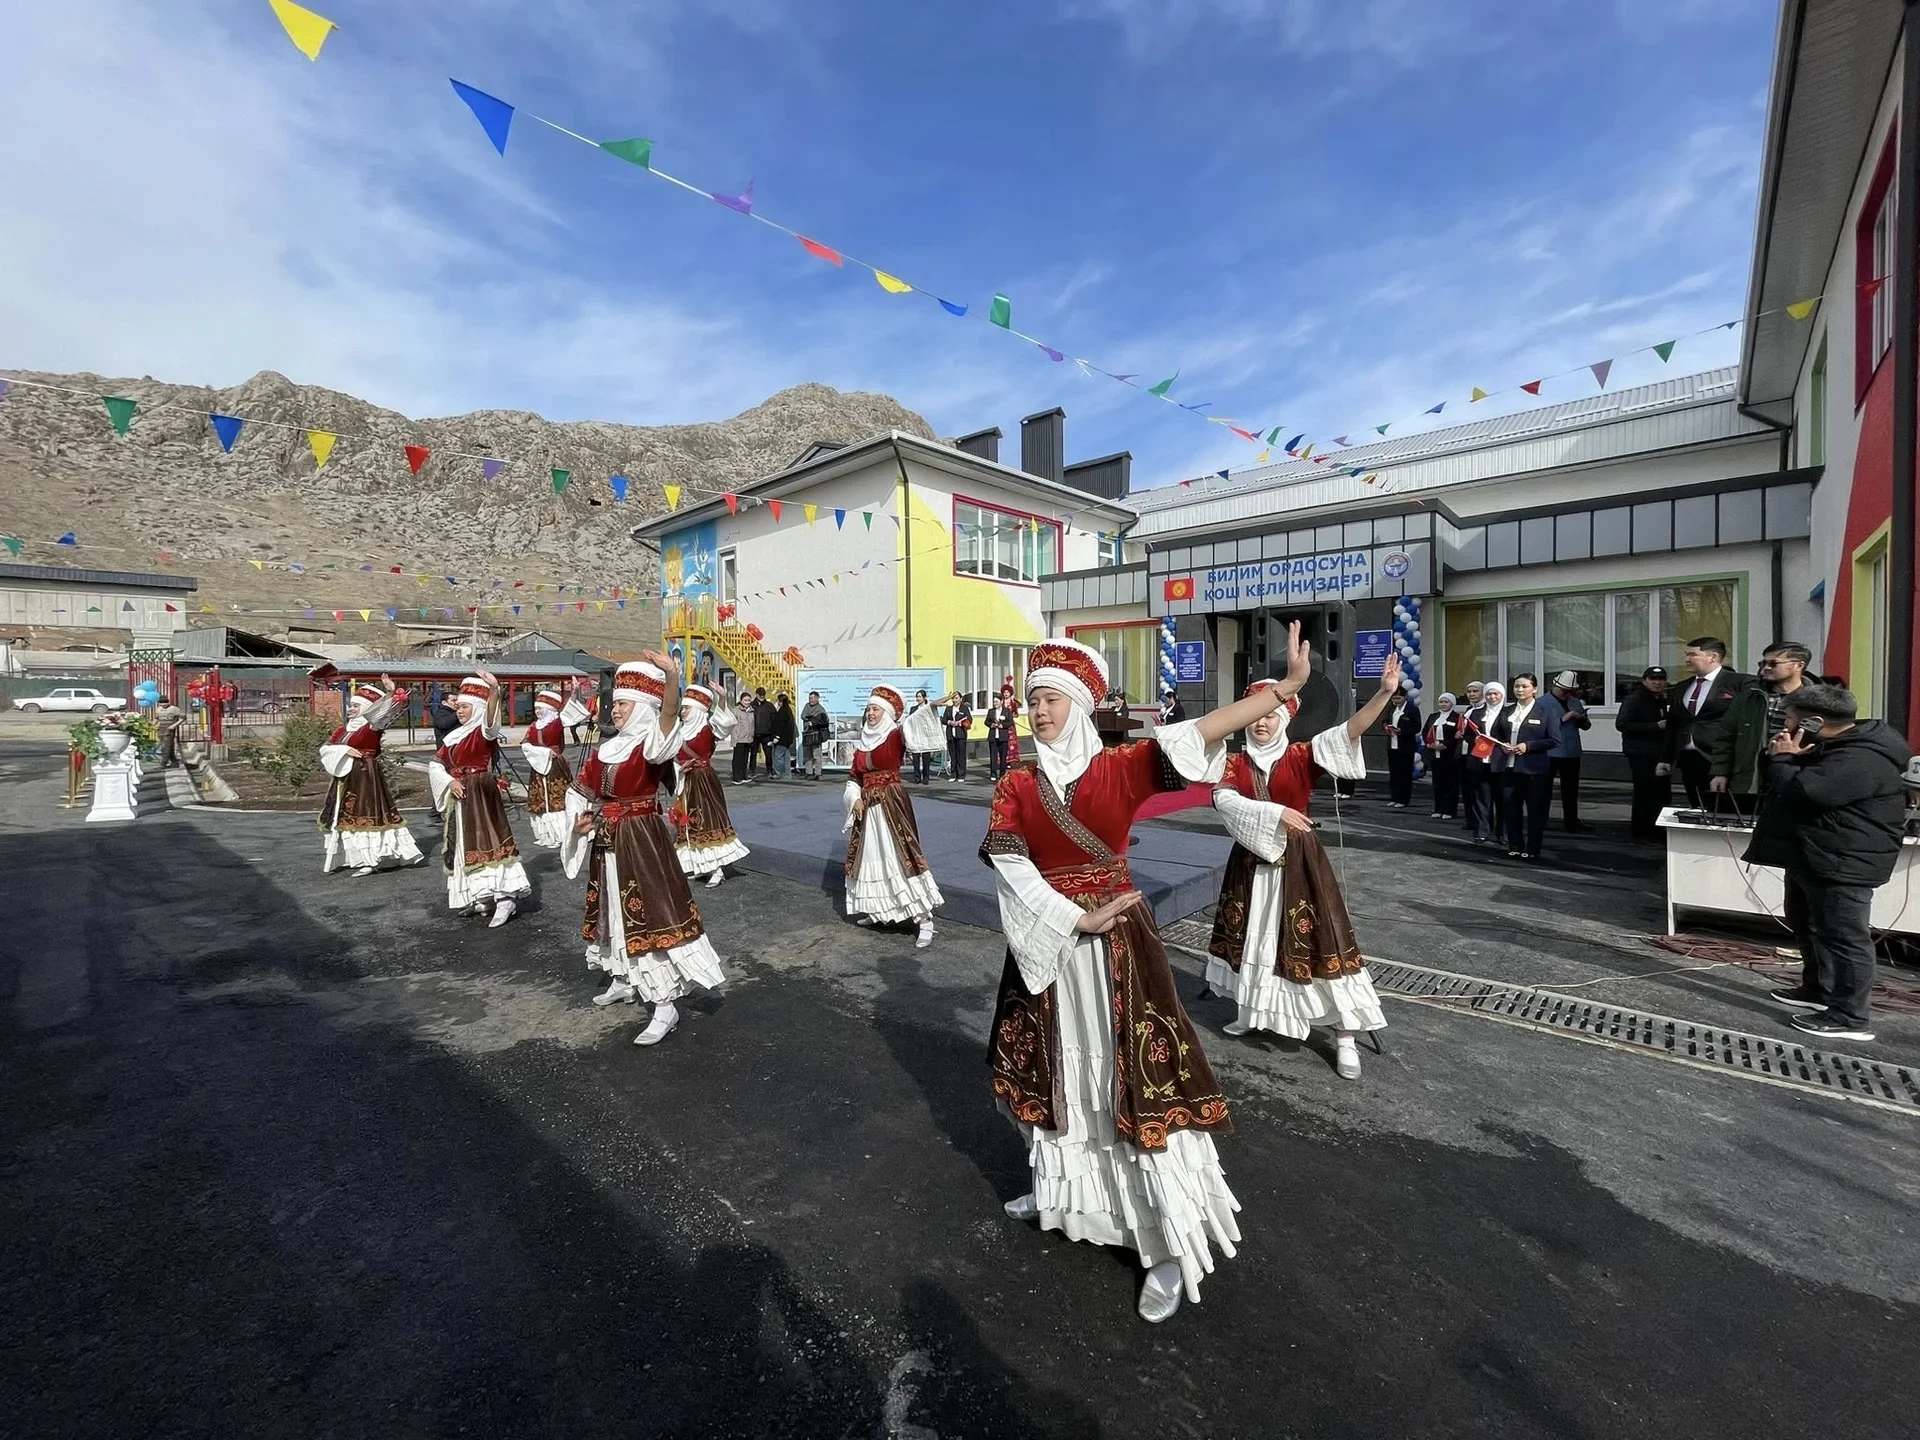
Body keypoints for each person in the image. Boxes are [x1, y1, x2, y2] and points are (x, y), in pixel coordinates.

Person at [984, 637, 1294, 1324]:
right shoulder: (1016, 784)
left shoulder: (1121, 769)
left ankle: (1165, 1246)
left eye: (1051, 699)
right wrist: (1072, 917)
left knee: (1130, 1076)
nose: (1039, 711)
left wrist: (1278, 691)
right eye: (1033, 700)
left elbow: (1201, 732)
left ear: (1081, 705)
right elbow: (1010, 864)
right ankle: (1061, 1194)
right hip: (1054, 941)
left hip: (1118, 946)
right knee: (1055, 1071)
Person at [1206, 632, 1397, 1078]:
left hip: (1300, 861)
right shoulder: (1234, 763)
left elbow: (1350, 732)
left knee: (1320, 940)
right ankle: (1253, 1010)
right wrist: (1275, 813)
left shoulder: (1301, 755)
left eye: (1271, 716)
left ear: (1286, 718)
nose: (1261, 724)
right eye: (1255, 716)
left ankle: (1345, 1036)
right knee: (1253, 936)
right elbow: (1223, 800)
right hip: (1251, 862)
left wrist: (1382, 695)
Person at [560, 656, 726, 1045]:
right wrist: (578, 823)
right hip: (607, 839)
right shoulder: (607, 749)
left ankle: (665, 1006)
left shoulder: (651, 744)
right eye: (614, 703)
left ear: (642, 706)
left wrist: (672, 676)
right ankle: (622, 978)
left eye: (622, 703)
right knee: (612, 911)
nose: (614, 710)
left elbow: (667, 721)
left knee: (650, 914)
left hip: (641, 839)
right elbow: (580, 791)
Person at [1743, 684, 1911, 1043]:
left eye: (1790, 717)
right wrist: (1788, 755)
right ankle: (1819, 990)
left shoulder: (1861, 757)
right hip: (1814, 853)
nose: (1784, 724)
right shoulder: (1833, 745)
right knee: (1807, 923)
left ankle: (1850, 1017)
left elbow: (1808, 793)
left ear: (1815, 721)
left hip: (1844, 859)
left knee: (1845, 937)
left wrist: (1783, 760)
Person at [427, 671, 531, 926]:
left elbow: (491, 721)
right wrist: (449, 781)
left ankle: (505, 898)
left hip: (480, 791)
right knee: (464, 843)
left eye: (465, 707)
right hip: (460, 794)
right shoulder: (454, 737)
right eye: (458, 706)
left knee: (490, 839)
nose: (460, 711)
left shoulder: (482, 733)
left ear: (477, 708)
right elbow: (436, 764)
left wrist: (494, 690)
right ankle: (480, 897)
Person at [844, 685, 944, 947]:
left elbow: (913, 723)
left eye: (876, 709)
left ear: (886, 714)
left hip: (891, 802)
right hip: (868, 808)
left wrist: (930, 707)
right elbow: (854, 777)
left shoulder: (895, 735)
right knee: (871, 856)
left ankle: (924, 919)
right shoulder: (862, 745)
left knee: (900, 855)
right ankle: (879, 910)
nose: (870, 714)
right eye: (868, 709)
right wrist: (854, 798)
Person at [317, 675, 424, 876]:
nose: (351, 709)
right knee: (345, 817)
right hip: (345, 778)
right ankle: (354, 858)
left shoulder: (371, 727)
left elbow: (381, 715)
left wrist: (390, 694)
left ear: (366, 708)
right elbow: (325, 748)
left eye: (356, 706)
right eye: (351, 705)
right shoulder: (342, 730)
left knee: (365, 814)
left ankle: (372, 859)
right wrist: (343, 750)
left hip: (365, 776)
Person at [672, 683, 749, 888]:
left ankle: (717, 870)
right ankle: (701, 866)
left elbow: (724, 722)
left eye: (687, 708)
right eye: (683, 707)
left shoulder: (707, 729)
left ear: (697, 710)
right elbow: (672, 756)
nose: (683, 711)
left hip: (704, 782)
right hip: (686, 782)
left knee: (708, 822)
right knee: (688, 824)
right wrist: (678, 769)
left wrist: (722, 699)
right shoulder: (679, 731)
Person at [1716, 641, 1811, 804]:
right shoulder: (1749, 695)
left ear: (1798, 665)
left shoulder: (1814, 700)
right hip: (1751, 776)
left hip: (1795, 775)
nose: (1765, 668)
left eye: (1773, 663)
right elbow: (1725, 736)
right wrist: (1720, 773)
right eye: (1762, 663)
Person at [1666, 637, 1754, 809]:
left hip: (1720, 756)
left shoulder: (1738, 683)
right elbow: (1673, 724)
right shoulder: (1682, 687)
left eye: (1693, 655)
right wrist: (1666, 758)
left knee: (1722, 808)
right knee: (1697, 807)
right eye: (1686, 655)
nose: (1687, 659)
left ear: (1713, 657)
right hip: (1689, 758)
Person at [1489, 673, 1561, 861]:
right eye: (1517, 686)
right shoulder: (1507, 711)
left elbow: (1554, 740)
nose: (1520, 690)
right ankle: (1515, 845)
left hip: (1533, 770)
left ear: (1534, 689)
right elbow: (1495, 734)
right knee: (1510, 808)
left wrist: (1528, 746)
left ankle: (1533, 848)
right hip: (1509, 768)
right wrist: (1502, 745)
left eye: (1524, 686)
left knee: (1535, 810)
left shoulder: (1545, 711)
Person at [1615, 666, 1674, 840]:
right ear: (1644, 681)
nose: (1657, 683)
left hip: (1660, 754)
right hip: (1640, 753)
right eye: (1653, 679)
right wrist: (1654, 726)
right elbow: (1622, 724)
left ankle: (1657, 830)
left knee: (1661, 793)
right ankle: (1641, 832)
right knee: (1645, 793)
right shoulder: (1634, 700)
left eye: (1661, 679)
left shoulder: (1662, 700)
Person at [520, 684, 581, 849]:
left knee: (557, 797)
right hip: (538, 765)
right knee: (540, 798)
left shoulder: (556, 723)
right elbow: (525, 743)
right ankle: (546, 835)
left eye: (541, 708)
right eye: (536, 708)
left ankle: (561, 833)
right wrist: (541, 752)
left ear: (549, 709)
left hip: (555, 766)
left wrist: (574, 693)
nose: (538, 712)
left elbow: (569, 713)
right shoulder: (533, 726)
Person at [1459, 680, 1506, 846]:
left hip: (1500, 761)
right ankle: (1482, 831)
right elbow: (1467, 734)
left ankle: (1503, 833)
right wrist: (1474, 739)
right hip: (1479, 760)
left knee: (1502, 799)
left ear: (1502, 695)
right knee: (1481, 798)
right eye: (1489, 694)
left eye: (1495, 694)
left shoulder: (1508, 713)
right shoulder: (1476, 713)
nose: (1492, 697)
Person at [1547, 670, 1592, 830]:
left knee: (1571, 789)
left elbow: (1586, 726)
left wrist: (1582, 719)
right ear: (1554, 686)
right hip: (1550, 751)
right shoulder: (1542, 703)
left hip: (1571, 750)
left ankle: (1571, 820)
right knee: (1544, 788)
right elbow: (1539, 727)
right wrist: (1563, 719)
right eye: (1564, 690)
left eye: (1570, 691)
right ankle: (1541, 819)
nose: (1567, 694)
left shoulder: (1575, 702)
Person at [1422, 692, 1462, 819]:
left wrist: (1446, 745)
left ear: (1452, 703)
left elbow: (1458, 735)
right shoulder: (1433, 716)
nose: (1443, 704)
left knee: (1450, 783)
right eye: (1441, 702)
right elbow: (1425, 731)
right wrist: (1429, 744)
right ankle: (1438, 808)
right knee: (1437, 782)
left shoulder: (1457, 718)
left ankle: (1449, 810)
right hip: (1435, 753)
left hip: (1450, 754)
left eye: (1446, 702)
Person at [1382, 680, 1420, 808]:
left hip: (1405, 746)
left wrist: (1402, 731)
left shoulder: (1412, 710)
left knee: (1404, 773)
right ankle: (1394, 797)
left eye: (1398, 698)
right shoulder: (1392, 708)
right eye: (1394, 699)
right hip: (1392, 744)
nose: (1396, 701)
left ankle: (1403, 799)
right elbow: (1385, 721)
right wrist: (1386, 727)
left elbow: (1416, 727)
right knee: (1394, 773)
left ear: (1405, 697)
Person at [1455, 681, 1485, 832]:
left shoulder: (1485, 710)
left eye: (1475, 691)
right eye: (1469, 691)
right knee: (1466, 789)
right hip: (1463, 753)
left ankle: (1481, 821)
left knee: (1478, 791)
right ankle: (1470, 819)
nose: (1472, 694)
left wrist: (1467, 735)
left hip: (1477, 753)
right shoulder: (1468, 709)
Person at [942, 689, 974, 782]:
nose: (954, 700)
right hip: (951, 734)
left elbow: (970, 719)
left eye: (956, 698)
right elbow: (943, 720)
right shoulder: (948, 709)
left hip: (961, 734)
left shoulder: (964, 709)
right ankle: (953, 774)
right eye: (953, 698)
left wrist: (960, 723)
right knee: (953, 755)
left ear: (960, 699)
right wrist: (950, 722)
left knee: (961, 755)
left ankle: (961, 775)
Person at [984, 690, 1017, 780]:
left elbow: (1010, 722)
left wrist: (1002, 725)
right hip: (993, 736)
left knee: (1003, 757)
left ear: (1001, 701)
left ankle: (1002, 774)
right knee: (993, 756)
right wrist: (991, 725)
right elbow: (986, 722)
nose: (995, 703)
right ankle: (993, 774)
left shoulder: (1007, 711)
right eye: (994, 702)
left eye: (997, 701)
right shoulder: (991, 711)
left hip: (1003, 737)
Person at [908, 690, 938, 784]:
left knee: (926, 757)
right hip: (916, 735)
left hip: (925, 735)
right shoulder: (913, 709)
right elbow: (910, 720)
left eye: (920, 697)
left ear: (924, 698)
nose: (918, 698)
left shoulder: (928, 708)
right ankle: (917, 777)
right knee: (916, 757)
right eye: (917, 697)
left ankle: (926, 777)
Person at [801, 690, 831, 779]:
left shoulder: (820, 709)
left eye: (812, 698)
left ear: (817, 698)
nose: (810, 700)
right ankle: (808, 772)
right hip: (807, 733)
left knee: (817, 755)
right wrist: (809, 719)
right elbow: (803, 716)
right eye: (809, 698)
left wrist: (814, 721)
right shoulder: (807, 706)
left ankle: (818, 773)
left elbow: (824, 720)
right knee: (807, 754)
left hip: (816, 734)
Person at [731, 689, 756, 784]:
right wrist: (735, 736)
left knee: (745, 759)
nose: (747, 702)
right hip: (739, 738)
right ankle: (736, 777)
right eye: (745, 700)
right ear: (741, 700)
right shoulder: (736, 711)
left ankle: (743, 776)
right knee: (738, 759)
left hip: (748, 738)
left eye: (749, 700)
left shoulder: (751, 711)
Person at [154, 695, 187, 768]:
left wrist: (174, 725)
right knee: (169, 746)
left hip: (169, 730)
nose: (164, 704)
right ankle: (174, 762)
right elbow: (156, 718)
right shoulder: (158, 709)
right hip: (161, 729)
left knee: (165, 747)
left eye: (165, 702)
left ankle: (163, 763)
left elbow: (183, 718)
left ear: (168, 702)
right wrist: (153, 725)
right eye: (161, 703)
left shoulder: (174, 709)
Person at [751, 686, 776, 778]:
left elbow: (774, 720)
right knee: (753, 754)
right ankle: (752, 771)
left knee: (768, 754)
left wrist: (772, 734)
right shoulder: (751, 705)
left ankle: (770, 771)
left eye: (763, 695)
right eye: (760, 695)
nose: (762, 696)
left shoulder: (769, 706)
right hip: (754, 734)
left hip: (766, 734)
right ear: (756, 694)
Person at [771, 692, 797, 779]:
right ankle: (787, 774)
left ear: (780, 701)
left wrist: (776, 737)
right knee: (786, 757)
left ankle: (779, 774)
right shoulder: (788, 710)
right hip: (787, 739)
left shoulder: (782, 712)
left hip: (782, 738)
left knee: (778, 756)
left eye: (777, 700)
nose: (777, 702)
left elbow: (780, 725)